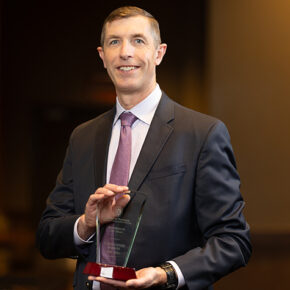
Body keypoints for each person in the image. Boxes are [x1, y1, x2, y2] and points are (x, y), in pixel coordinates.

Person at [36, 6, 251, 290]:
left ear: (159, 53)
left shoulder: (202, 134)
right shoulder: (83, 138)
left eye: (138, 40)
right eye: (114, 42)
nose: (125, 52)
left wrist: (166, 274)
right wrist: (86, 224)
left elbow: (233, 241)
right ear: (103, 56)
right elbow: (48, 236)